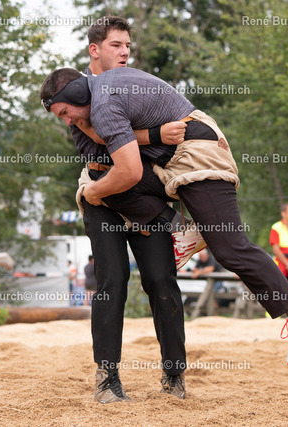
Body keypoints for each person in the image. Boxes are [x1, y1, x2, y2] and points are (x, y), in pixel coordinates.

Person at [40, 64, 288, 367]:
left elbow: (130, 171)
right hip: (172, 160)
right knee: (105, 180)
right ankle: (184, 230)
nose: (67, 121)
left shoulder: (103, 103)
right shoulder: (100, 95)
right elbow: (107, 152)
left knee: (229, 248)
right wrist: (145, 139)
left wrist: (93, 193)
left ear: (76, 92)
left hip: (198, 153)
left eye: (65, 112)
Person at [48, 16, 187, 402]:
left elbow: (153, 144)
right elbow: (104, 147)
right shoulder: (76, 94)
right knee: (111, 282)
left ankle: (174, 374)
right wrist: (155, 135)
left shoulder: (134, 85)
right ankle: (107, 377)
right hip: (105, 194)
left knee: (161, 279)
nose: (125, 52)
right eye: (116, 45)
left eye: (128, 45)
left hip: (144, 194)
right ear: (94, 50)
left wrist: (155, 138)